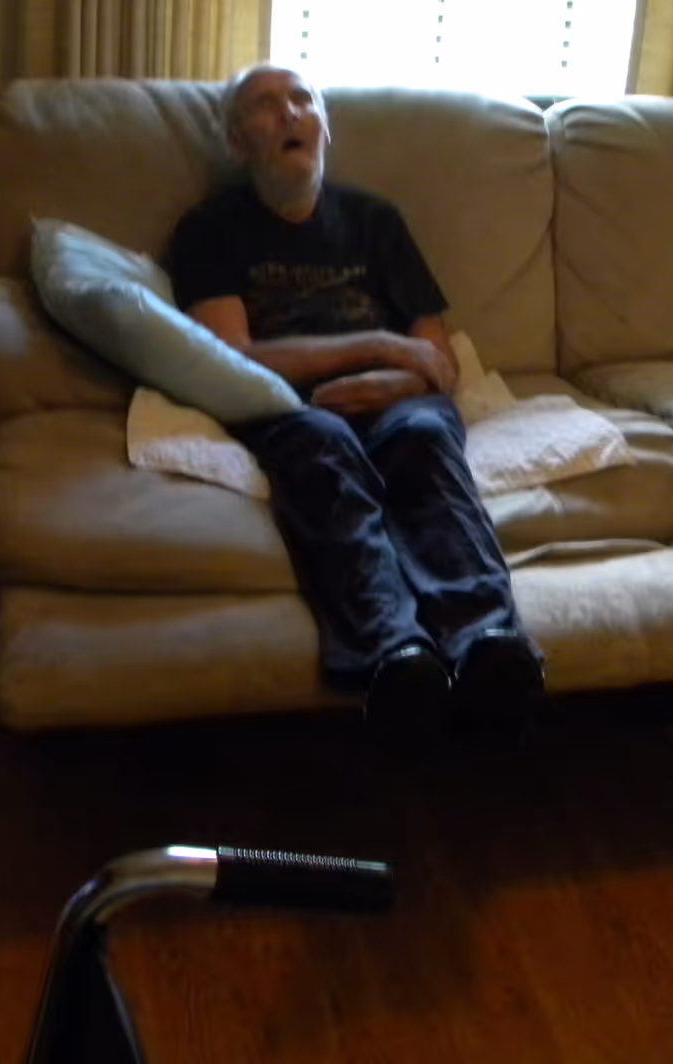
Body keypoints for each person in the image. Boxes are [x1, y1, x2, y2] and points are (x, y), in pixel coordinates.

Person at [166, 63, 544, 745]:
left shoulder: (375, 220)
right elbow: (233, 357)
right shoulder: (209, 230)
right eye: (265, 105)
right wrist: (379, 345)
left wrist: (402, 378)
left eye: (302, 100)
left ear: (324, 127)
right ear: (235, 143)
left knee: (425, 440)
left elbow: (438, 361)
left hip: (398, 398)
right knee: (323, 449)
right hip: (290, 403)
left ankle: (487, 643)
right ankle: (392, 654)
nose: (289, 113)